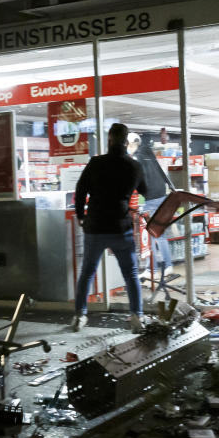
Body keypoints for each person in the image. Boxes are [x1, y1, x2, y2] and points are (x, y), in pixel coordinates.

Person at [72, 123, 148, 333]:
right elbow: (145, 190)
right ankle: (136, 317)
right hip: (120, 227)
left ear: (109, 140)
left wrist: (80, 215)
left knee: (87, 272)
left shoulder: (96, 163)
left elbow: (80, 191)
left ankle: (79, 316)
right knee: (131, 274)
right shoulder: (134, 166)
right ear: (126, 142)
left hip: (95, 226)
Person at [128, 131, 176, 277]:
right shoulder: (148, 152)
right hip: (162, 195)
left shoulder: (136, 157)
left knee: (150, 236)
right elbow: (161, 171)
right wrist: (171, 186)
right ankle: (164, 267)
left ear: (131, 144)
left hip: (151, 199)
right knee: (158, 235)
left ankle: (154, 269)